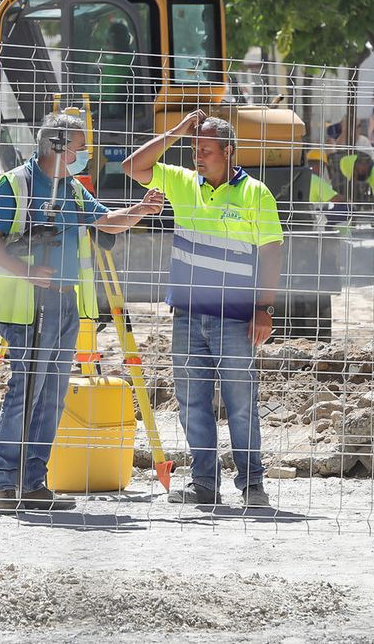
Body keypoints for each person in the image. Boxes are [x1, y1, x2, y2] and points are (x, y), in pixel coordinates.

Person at [0, 112, 165, 513]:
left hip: (64, 304)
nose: (84, 155)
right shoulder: (17, 183)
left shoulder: (73, 188)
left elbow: (107, 222)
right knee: (26, 393)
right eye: (79, 148)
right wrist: (28, 272)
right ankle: (4, 484)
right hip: (26, 307)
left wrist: (141, 210)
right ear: (57, 146)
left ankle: (33, 483)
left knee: (51, 397)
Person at [121, 111, 283, 508]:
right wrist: (175, 132)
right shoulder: (181, 183)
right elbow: (133, 166)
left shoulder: (255, 194)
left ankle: (252, 485)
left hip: (234, 318)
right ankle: (205, 484)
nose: (198, 156)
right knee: (192, 400)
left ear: (229, 152)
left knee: (240, 403)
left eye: (206, 150)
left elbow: (271, 253)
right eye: (195, 149)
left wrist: (264, 308)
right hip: (188, 316)